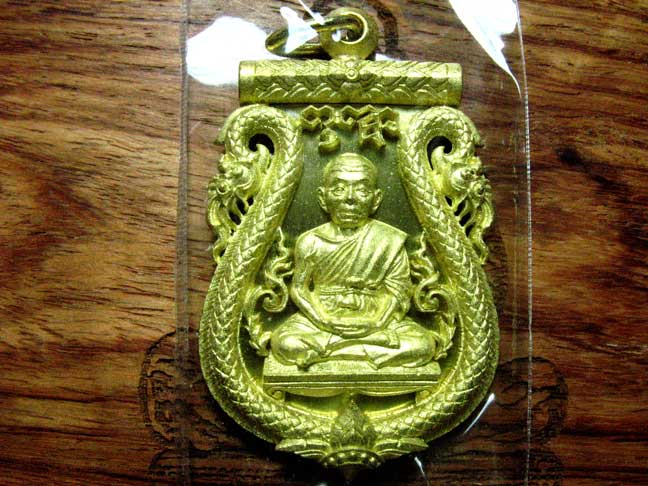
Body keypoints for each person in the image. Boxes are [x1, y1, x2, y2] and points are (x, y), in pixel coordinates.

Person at [270, 153, 436, 369]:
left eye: (362, 190)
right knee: (284, 343)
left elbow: (399, 292)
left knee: (422, 345)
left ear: (376, 199)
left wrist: (377, 323)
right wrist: (322, 320)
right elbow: (299, 289)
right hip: (321, 321)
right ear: (323, 197)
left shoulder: (389, 240)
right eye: (339, 189)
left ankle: (330, 351)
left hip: (378, 322)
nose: (350, 199)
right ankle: (365, 350)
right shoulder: (310, 241)